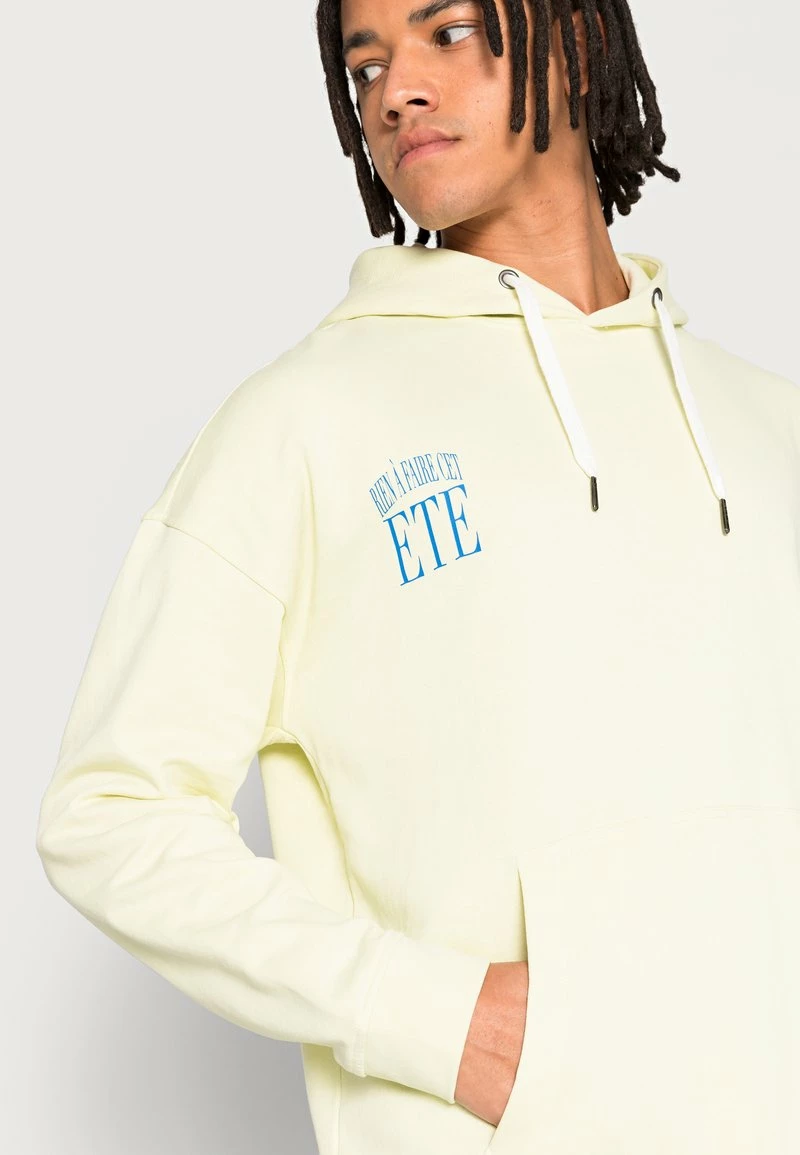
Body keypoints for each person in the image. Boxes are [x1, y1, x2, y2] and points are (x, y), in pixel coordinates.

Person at [36, 0, 800, 1152]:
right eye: (365, 64)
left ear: (580, 41)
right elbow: (109, 815)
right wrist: (436, 1021)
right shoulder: (303, 424)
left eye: (446, 33)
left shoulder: (767, 424)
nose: (395, 90)